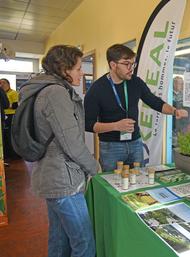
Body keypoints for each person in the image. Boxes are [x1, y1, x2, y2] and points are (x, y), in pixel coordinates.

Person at [19, 45, 99, 257]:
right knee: (84, 244)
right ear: (64, 69)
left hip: (51, 175)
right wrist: (94, 167)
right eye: (78, 68)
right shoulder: (56, 93)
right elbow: (71, 142)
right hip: (64, 181)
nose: (82, 72)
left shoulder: (42, 88)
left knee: (59, 238)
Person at [84, 44, 188, 171]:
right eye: (126, 64)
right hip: (111, 146)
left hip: (135, 143)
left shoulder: (135, 82)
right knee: (112, 183)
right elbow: (88, 124)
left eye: (133, 64)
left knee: (138, 181)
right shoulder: (97, 89)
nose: (131, 68)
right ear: (113, 65)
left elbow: (154, 101)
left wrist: (174, 111)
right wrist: (116, 126)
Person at [0, 78, 19, 159]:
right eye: (1, 83)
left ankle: (13, 154)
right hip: (3, 115)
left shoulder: (13, 92)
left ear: (8, 84)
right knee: (4, 136)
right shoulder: (2, 93)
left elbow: (16, 105)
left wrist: (6, 105)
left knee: (9, 135)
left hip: (11, 116)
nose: (2, 85)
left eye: (4, 83)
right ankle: (6, 154)